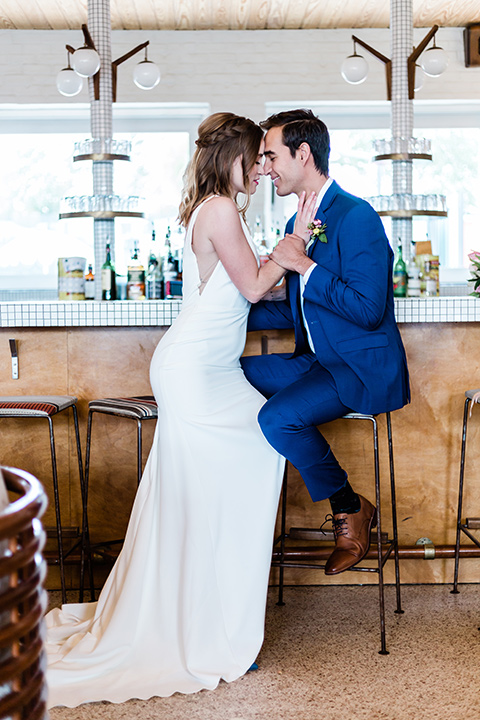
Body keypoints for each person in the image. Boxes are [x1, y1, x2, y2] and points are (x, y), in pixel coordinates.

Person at [44, 112, 316, 708]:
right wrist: (292, 247)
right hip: (194, 371)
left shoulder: (218, 209)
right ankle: (199, 613)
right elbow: (250, 287)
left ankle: (204, 600)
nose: (264, 168)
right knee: (250, 450)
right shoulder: (219, 209)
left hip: (208, 369)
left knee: (248, 452)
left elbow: (250, 284)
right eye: (258, 158)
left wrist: (285, 263)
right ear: (236, 159)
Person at [241, 109, 410, 576]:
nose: (264, 167)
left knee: (276, 418)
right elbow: (299, 307)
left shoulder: (356, 216)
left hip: (356, 368)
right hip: (317, 361)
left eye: (270, 156)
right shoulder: (304, 216)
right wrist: (226, 309)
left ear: (303, 153)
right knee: (230, 375)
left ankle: (349, 505)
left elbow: (367, 309)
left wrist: (303, 266)